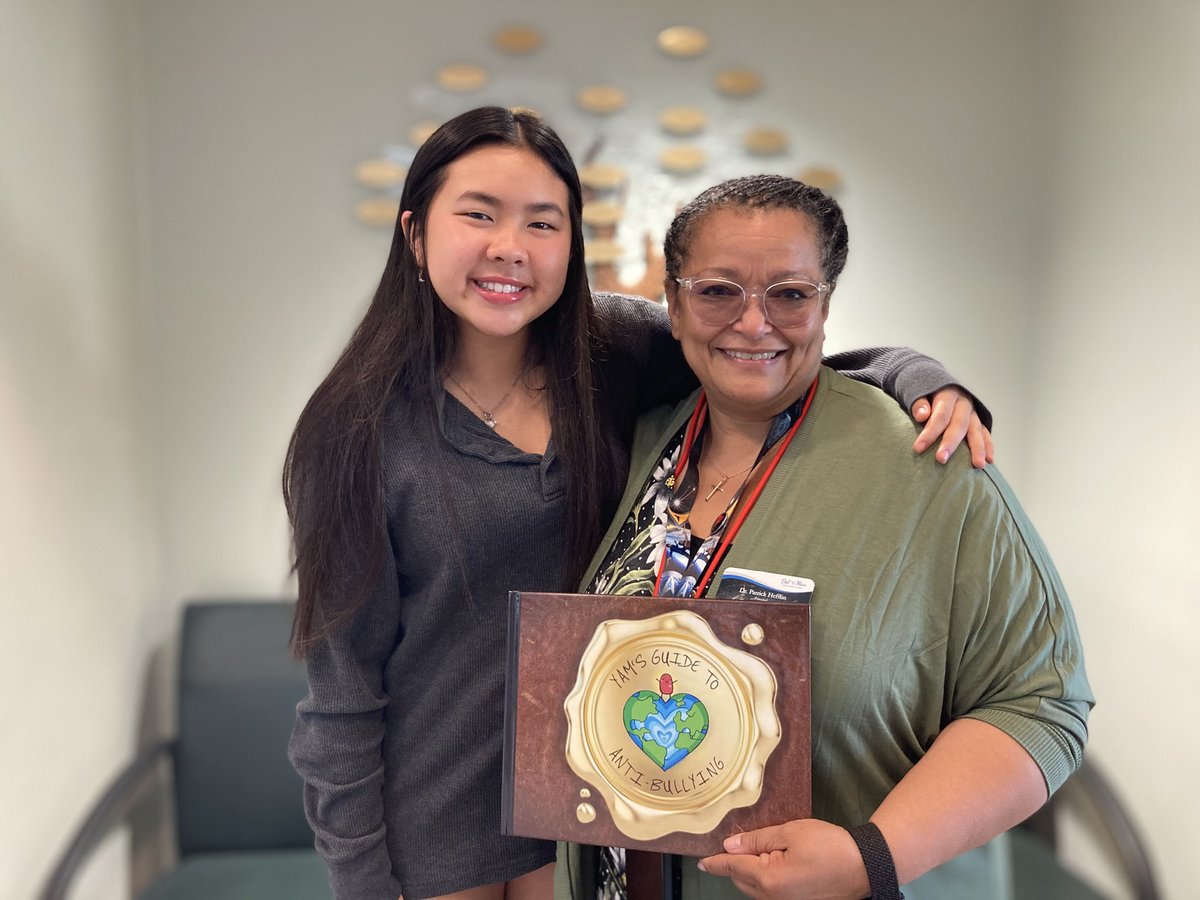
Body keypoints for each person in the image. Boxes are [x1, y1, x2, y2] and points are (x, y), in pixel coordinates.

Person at [283, 107, 994, 900]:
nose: (509, 247)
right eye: (478, 214)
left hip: (597, 811)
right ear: (415, 234)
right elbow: (342, 699)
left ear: (571, 243)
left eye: (542, 223)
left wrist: (915, 376)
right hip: (442, 825)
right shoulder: (354, 432)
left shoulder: (613, 349)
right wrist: (362, 884)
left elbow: (758, 347)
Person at [578, 174, 1093, 898]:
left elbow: (1044, 702)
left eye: (789, 294)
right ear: (673, 304)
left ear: (825, 304)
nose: (753, 323)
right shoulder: (635, 444)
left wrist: (872, 857)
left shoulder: (930, 464)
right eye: (718, 290)